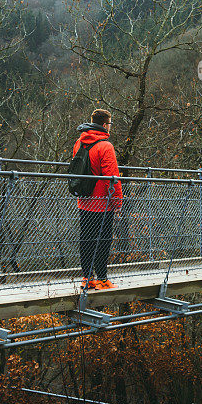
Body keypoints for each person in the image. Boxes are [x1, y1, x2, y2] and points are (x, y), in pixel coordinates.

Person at [72, 109, 122, 289]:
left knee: (86, 239)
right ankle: (102, 279)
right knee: (103, 240)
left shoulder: (80, 142)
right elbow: (112, 177)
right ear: (104, 125)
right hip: (102, 203)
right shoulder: (105, 146)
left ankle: (87, 278)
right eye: (110, 124)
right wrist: (117, 201)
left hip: (84, 201)